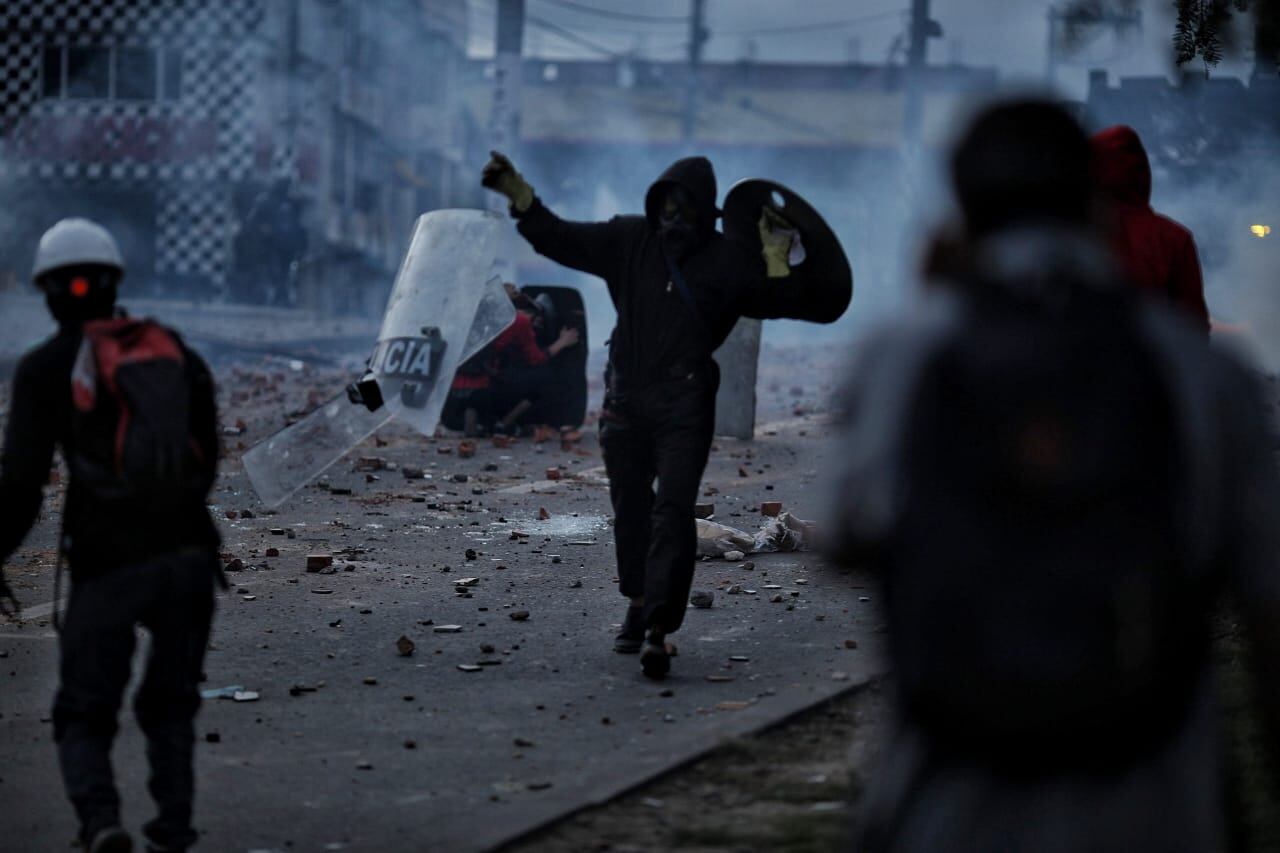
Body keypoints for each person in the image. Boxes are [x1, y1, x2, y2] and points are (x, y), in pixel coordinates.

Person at [829, 100, 1280, 852]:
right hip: (1161, 809)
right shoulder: (1207, 378)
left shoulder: (905, 356)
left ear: (962, 213)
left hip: (949, 810)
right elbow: (1267, 607)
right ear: (1093, 206)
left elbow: (851, 538)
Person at [482, 150, 836, 678]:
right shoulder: (629, 240)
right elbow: (561, 237)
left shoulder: (727, 260)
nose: (673, 217)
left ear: (705, 212)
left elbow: (788, 298)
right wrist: (522, 199)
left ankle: (657, 627)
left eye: (684, 206)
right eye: (665, 205)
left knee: (672, 509)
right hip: (624, 404)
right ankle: (639, 598)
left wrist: (777, 253)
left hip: (684, 406)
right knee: (631, 508)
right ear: (655, 204)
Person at [0, 219, 222, 853]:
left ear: (45, 292)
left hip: (107, 562)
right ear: (115, 282)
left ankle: (101, 823)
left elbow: (20, 488)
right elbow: (204, 461)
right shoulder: (173, 350)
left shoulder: (45, 368)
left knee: (84, 709)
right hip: (188, 556)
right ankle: (173, 829)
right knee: (171, 705)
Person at [1091, 125, 1210, 335]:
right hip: (1152, 361)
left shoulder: (1069, 230)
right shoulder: (1173, 237)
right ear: (1142, 172)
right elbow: (1193, 326)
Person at [445, 285, 580, 435]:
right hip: (481, 390)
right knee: (545, 377)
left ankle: (477, 416)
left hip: (451, 391)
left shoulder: (481, 313)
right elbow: (536, 359)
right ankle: (503, 424)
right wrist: (562, 342)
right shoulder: (519, 321)